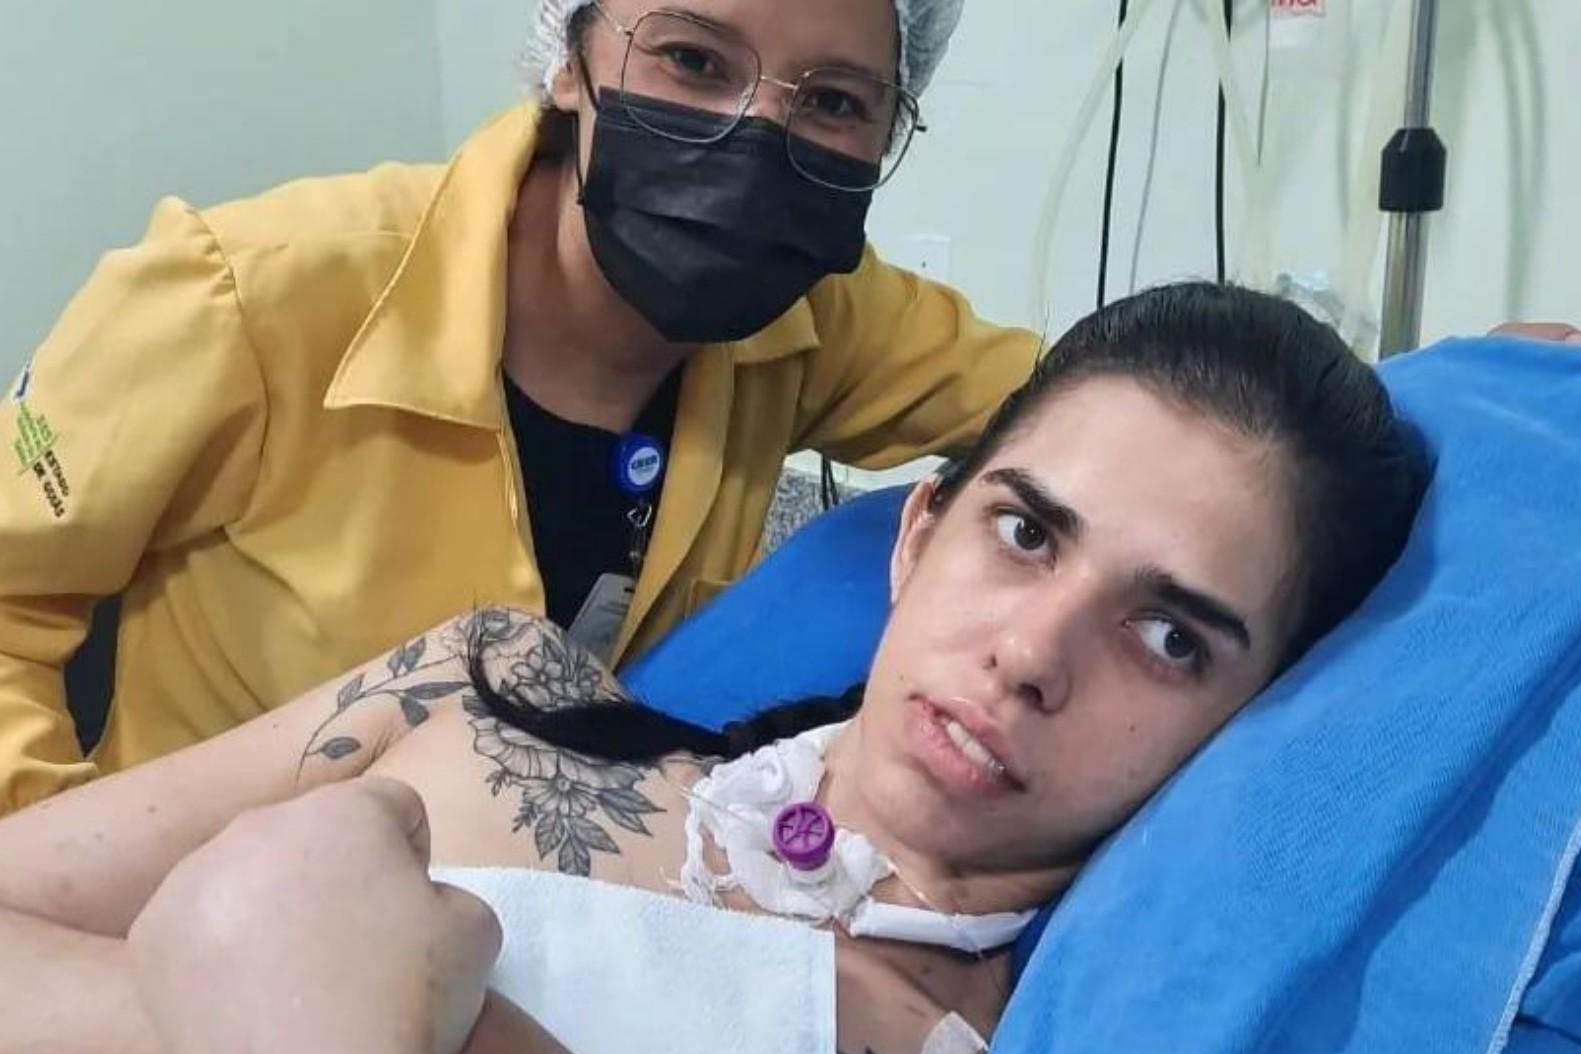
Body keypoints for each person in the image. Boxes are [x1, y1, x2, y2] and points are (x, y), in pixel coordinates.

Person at [0, 284, 1425, 1054]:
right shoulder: (479, 688)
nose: (1031, 655)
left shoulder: (988, 1045)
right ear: (917, 533)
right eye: (1025, 532)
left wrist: (306, 955)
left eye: (1169, 636)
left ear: (1251, 721)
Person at [0, 0, 1042, 812]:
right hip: (185, 912)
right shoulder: (244, 293)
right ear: (569, 57)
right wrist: (67, 885)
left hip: (513, 905)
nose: (754, 135)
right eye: (691, 59)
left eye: (835, 102)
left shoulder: (815, 322)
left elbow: (1092, 408)